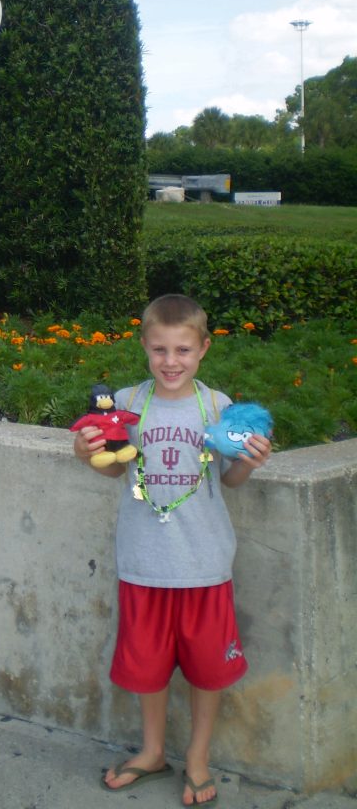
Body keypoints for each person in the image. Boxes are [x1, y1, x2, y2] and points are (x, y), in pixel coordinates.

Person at [73, 294, 271, 807]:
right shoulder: (126, 402)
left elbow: (231, 480)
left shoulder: (218, 406)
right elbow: (116, 467)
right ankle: (153, 751)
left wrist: (251, 460)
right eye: (159, 349)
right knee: (148, 669)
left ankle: (199, 758)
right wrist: (88, 454)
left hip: (204, 565)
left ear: (203, 348)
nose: (170, 361)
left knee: (209, 671)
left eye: (183, 349)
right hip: (143, 563)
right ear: (144, 345)